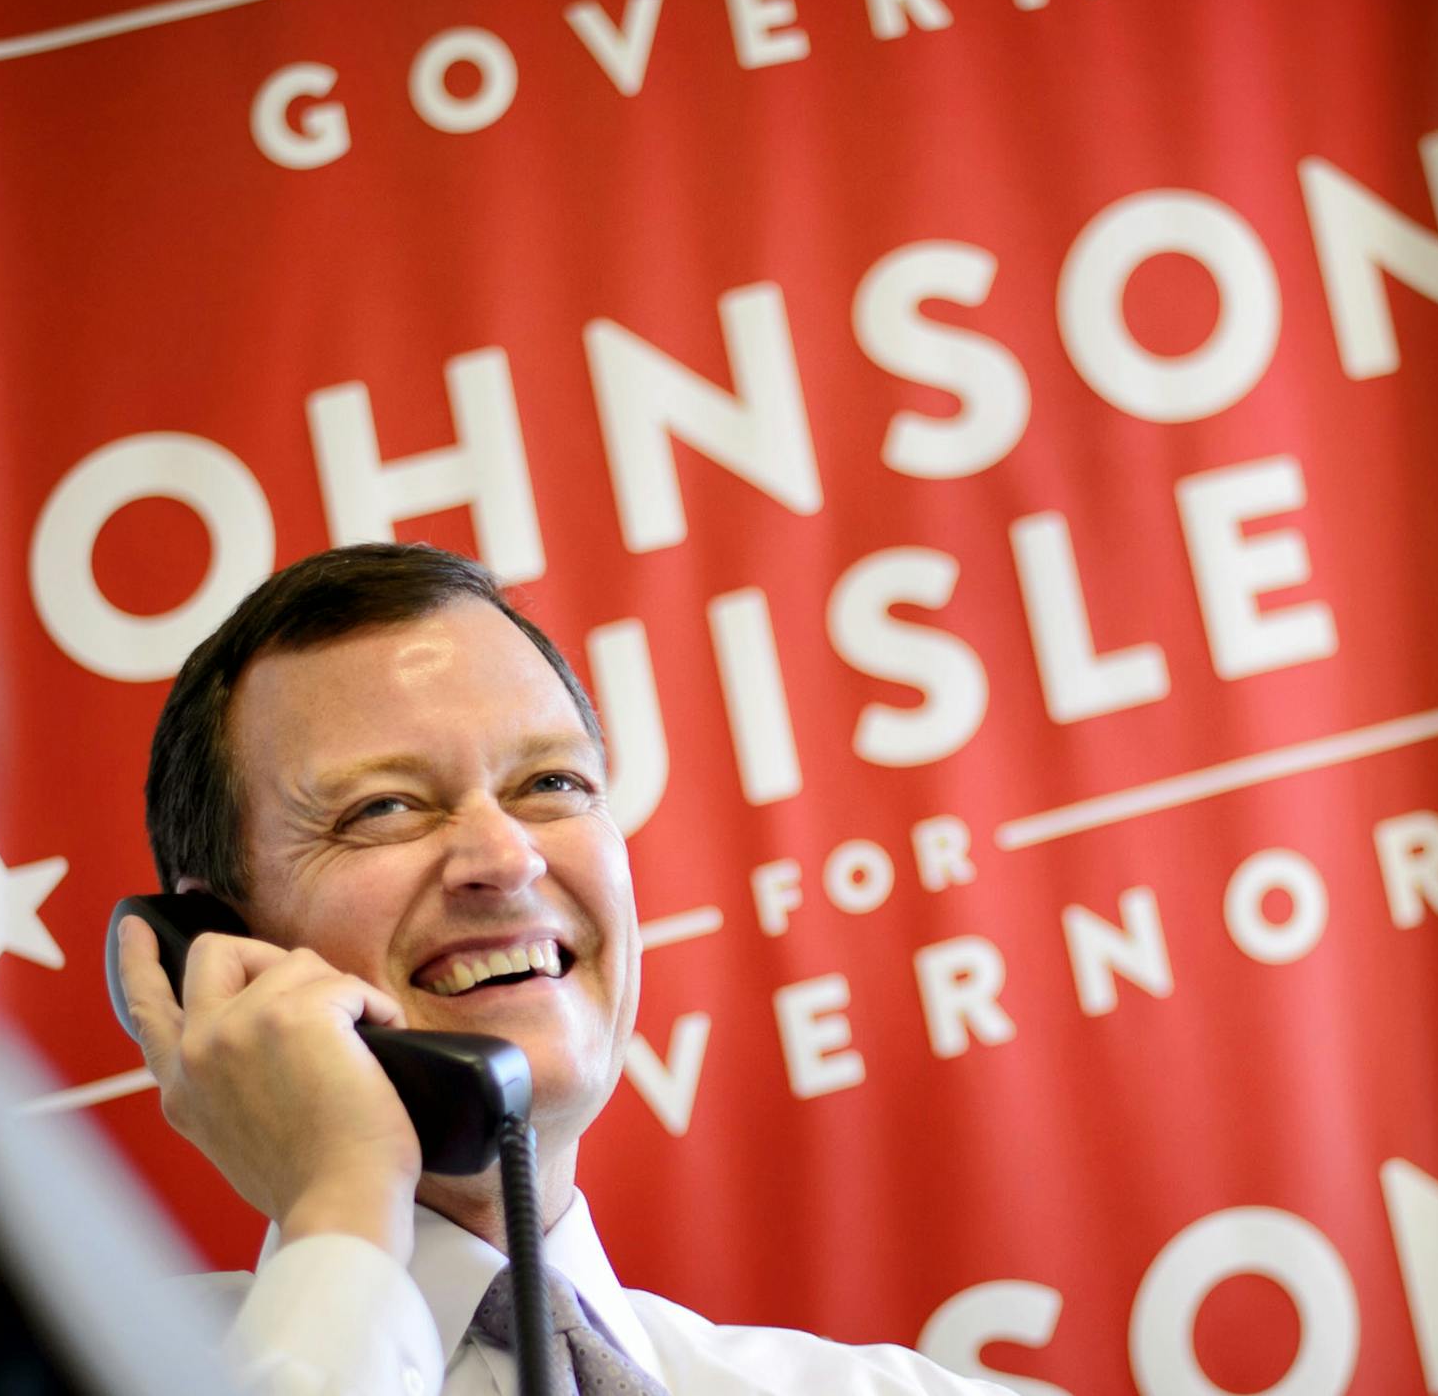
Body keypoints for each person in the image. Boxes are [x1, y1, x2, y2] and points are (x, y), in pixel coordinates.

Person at [116, 543, 1016, 1395]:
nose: (508, 857)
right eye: (383, 806)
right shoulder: (88, 1356)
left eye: (551, 784)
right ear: (221, 953)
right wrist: (343, 1207)